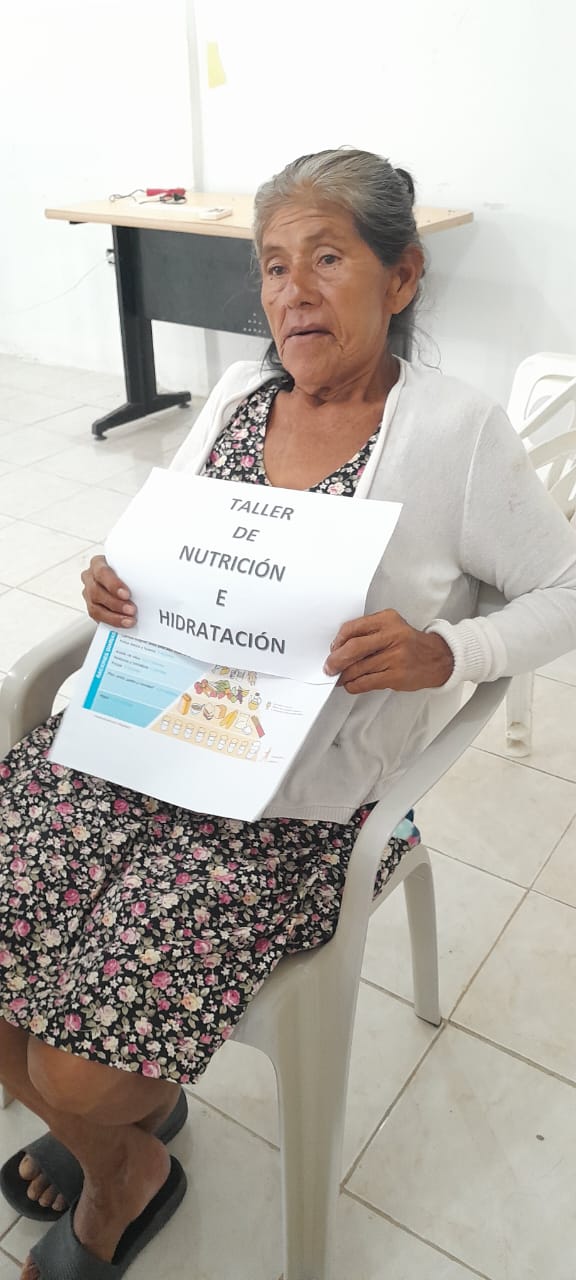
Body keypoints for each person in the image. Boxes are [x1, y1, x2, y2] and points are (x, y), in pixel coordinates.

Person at [2, 147, 576, 1280]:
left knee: (65, 1069)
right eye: (273, 265)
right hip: (131, 749)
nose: (292, 292)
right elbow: (170, 546)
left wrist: (446, 651)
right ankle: (115, 1121)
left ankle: (122, 1162)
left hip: (280, 814)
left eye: (326, 259)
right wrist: (116, 580)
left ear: (401, 277)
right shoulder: (236, 396)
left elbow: (565, 588)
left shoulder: (453, 432)